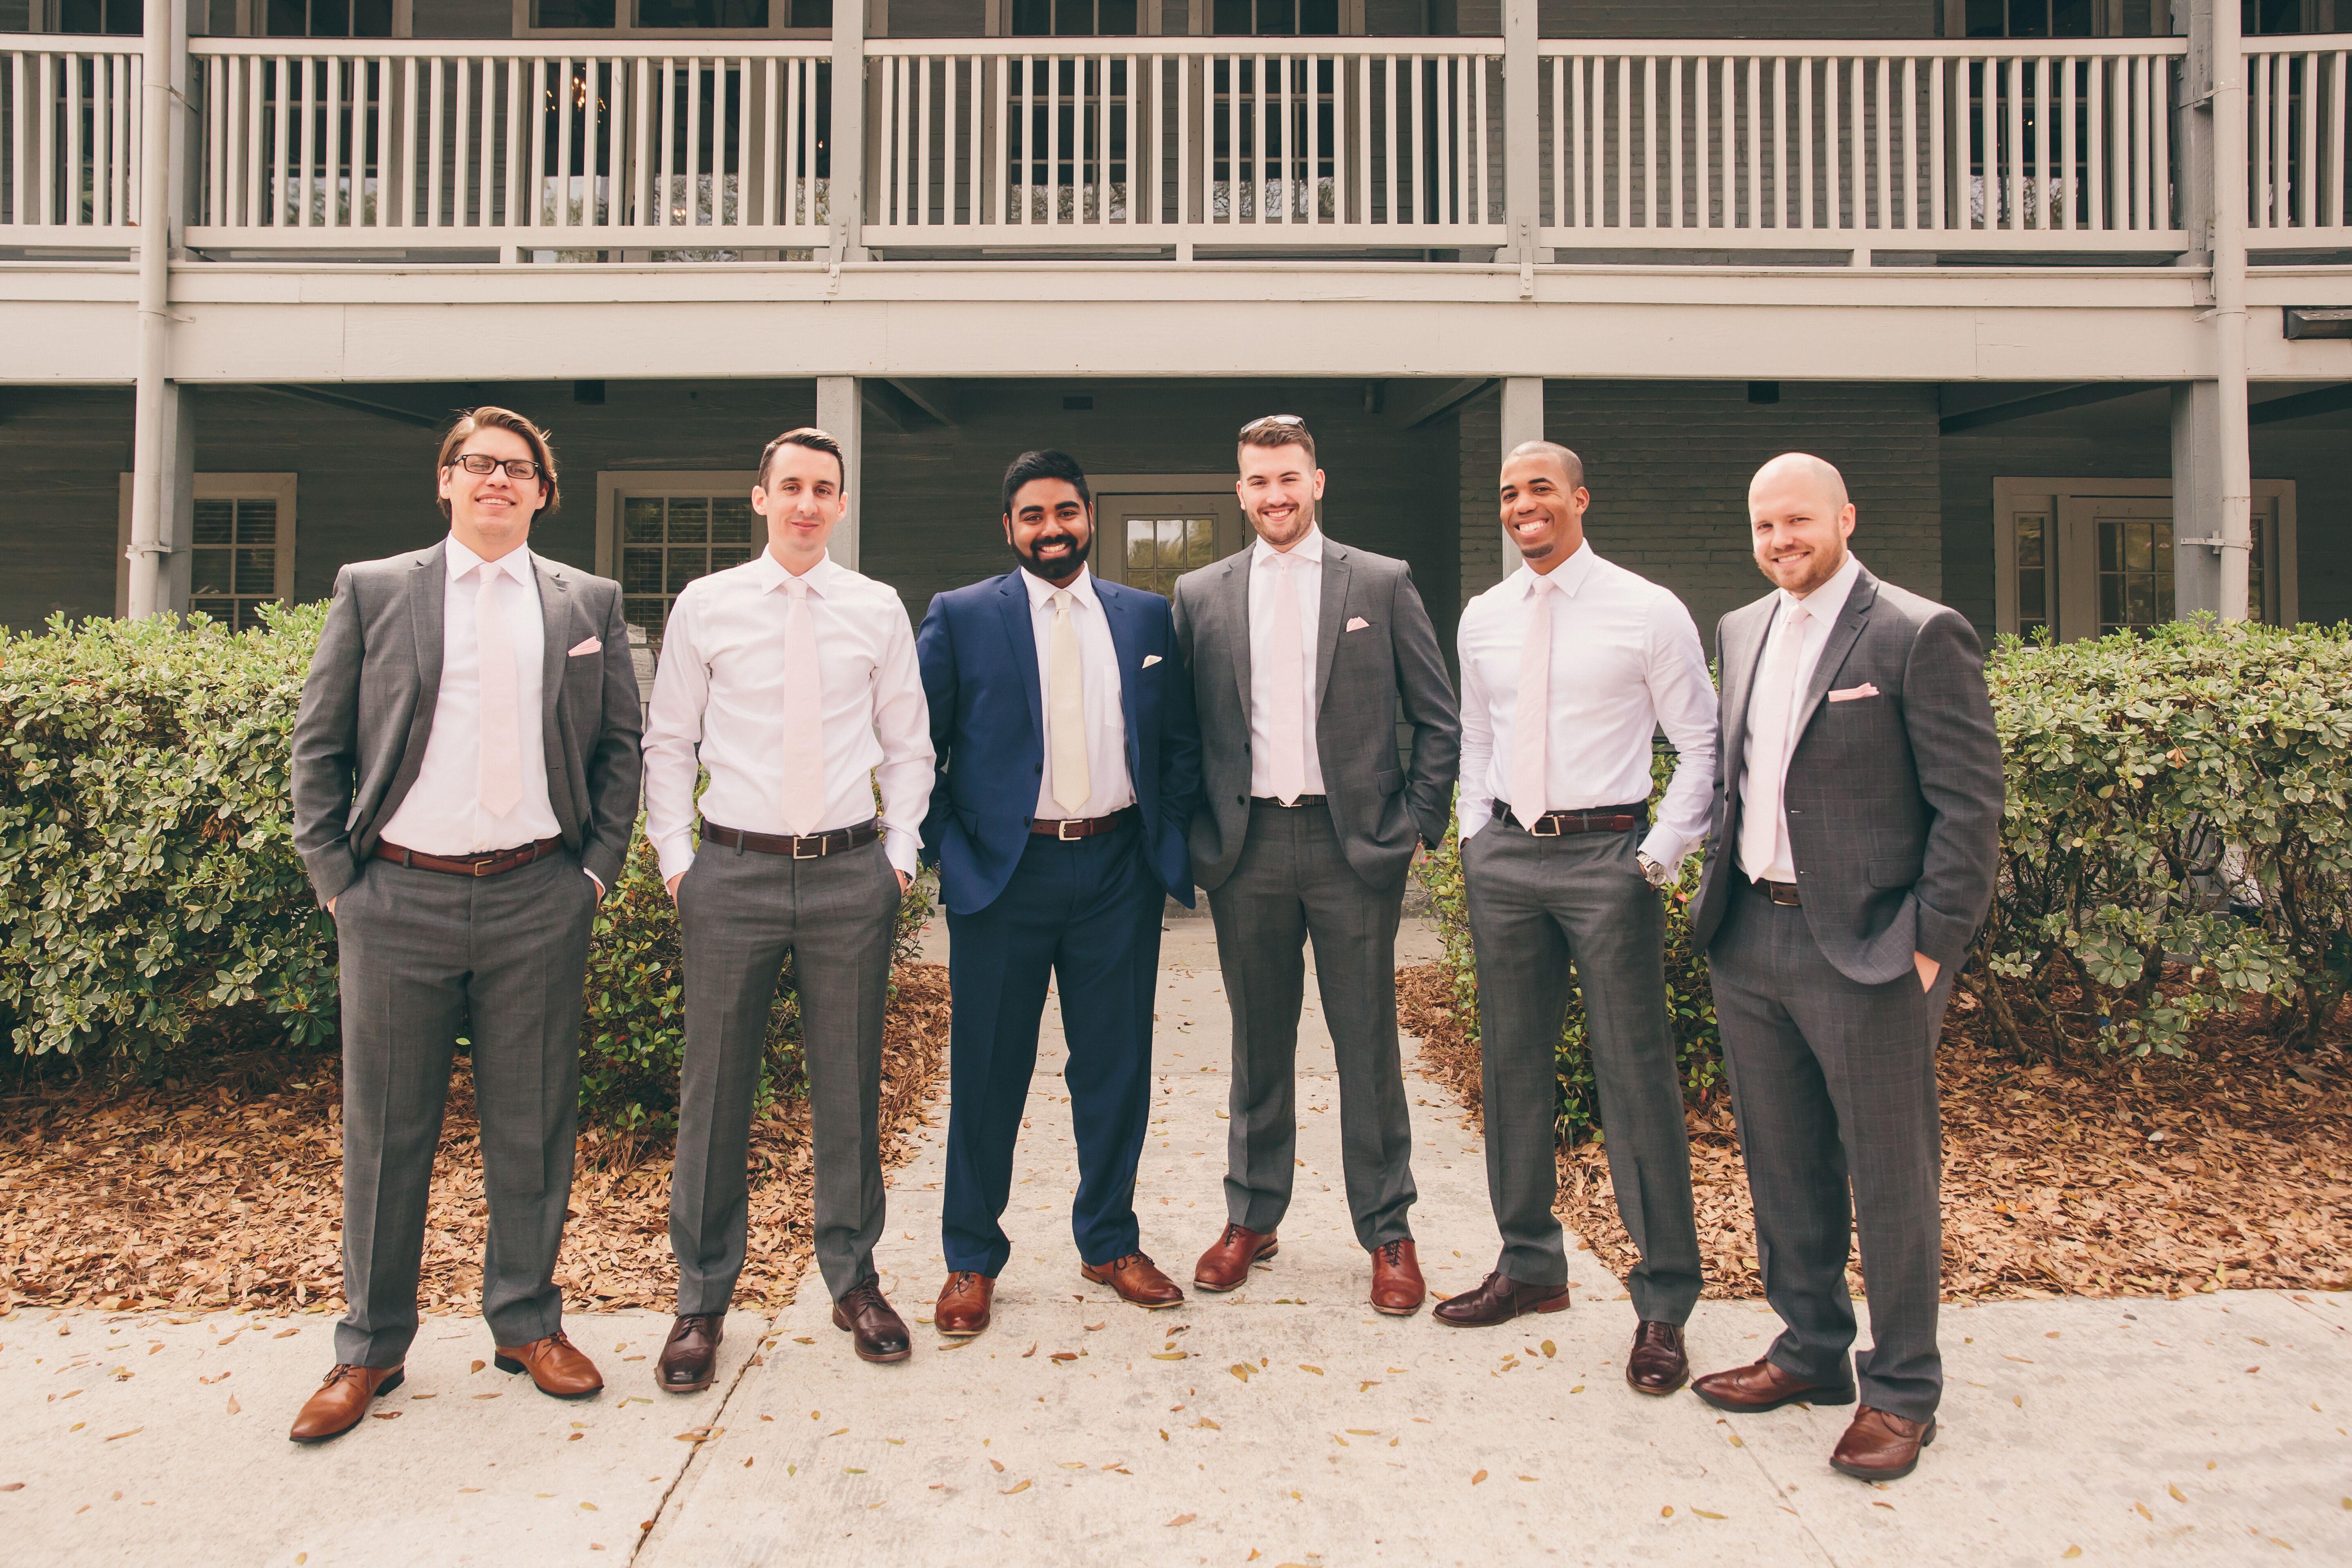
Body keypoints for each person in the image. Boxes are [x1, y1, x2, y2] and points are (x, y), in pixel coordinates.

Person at [287, 407, 642, 1442]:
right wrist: (335, 881)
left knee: (533, 1126)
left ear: (542, 490)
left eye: (517, 468)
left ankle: (527, 1322)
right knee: (387, 1132)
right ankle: (370, 1349)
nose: (497, 480)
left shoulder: (589, 602)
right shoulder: (377, 588)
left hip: (540, 897)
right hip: (396, 899)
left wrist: (596, 874)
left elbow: (620, 746)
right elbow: (319, 747)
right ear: (446, 482)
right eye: (477, 465)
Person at [1687, 452, 2001, 1483]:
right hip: (1752, 939)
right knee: (1783, 1164)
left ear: (1845, 518)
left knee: (1890, 1175)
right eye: (1764, 526)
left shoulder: (1917, 632)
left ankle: (1903, 1387)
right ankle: (1809, 1349)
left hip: (1868, 952)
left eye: (1798, 522)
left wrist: (1925, 948)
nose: (1781, 541)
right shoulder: (1740, 628)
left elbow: (1969, 809)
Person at [642, 427, 934, 1377]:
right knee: (715, 1089)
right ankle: (699, 1300)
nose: (808, 503)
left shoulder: (875, 607)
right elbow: (668, 740)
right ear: (760, 498)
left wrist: (897, 853)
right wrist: (679, 861)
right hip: (732, 873)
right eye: (792, 487)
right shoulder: (710, 603)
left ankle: (854, 1278)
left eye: (825, 489)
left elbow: (908, 744)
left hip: (852, 874)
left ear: (841, 506)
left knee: (848, 1087)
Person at [1437, 440, 1719, 1399]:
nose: (1524, 505)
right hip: (1507, 857)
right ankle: (1529, 1265)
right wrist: (1475, 832)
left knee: (1633, 1074)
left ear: (1579, 499)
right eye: (1510, 493)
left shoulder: (1647, 609)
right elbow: (1476, 734)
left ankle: (1664, 1302)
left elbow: (1701, 741)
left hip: (1609, 860)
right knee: (1511, 1066)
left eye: (1541, 490)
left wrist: (1656, 856)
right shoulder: (1482, 616)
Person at [1171, 414, 1458, 1314]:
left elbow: (1438, 717)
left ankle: (1388, 1228)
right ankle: (1252, 1215)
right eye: (1258, 482)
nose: (1274, 496)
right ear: (1240, 491)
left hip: (1351, 845)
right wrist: (1192, 831)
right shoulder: (1201, 593)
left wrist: (1414, 822)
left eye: (1288, 478)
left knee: (1366, 1044)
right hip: (1245, 844)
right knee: (1259, 1042)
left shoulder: (1380, 580)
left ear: (1318, 480)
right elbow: (1179, 730)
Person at [916, 449, 1202, 1338]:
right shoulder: (961, 617)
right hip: (1004, 877)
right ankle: (970, 1257)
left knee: (1113, 1068)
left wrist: (1169, 841)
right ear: (1009, 528)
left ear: (1090, 517)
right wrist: (948, 856)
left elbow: (1180, 743)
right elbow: (912, 746)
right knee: (989, 1072)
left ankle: (1109, 1238)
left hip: (1117, 870)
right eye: (1032, 515)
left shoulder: (1146, 615)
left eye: (1066, 511)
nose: (1052, 528)